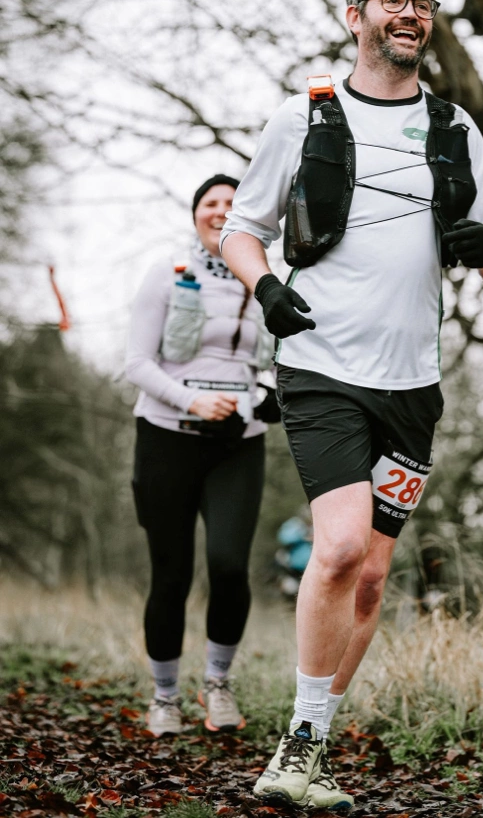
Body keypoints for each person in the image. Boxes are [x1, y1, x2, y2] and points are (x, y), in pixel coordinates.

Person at [221, 0, 483, 810]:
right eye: (392, 1)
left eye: (421, 6)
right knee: (341, 545)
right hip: (319, 364)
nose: (409, 15)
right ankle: (297, 752)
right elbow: (242, 228)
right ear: (356, 17)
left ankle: (306, 747)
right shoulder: (303, 118)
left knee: (372, 576)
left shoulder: (453, 130)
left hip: (411, 384)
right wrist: (266, 286)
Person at [126, 174, 275, 737]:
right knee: (171, 575)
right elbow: (136, 364)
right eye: (210, 203)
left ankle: (217, 683)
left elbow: (284, 360)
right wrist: (193, 399)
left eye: (233, 203)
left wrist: (270, 396)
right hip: (166, 438)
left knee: (231, 566)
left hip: (239, 443)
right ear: (195, 216)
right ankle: (165, 696)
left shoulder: (268, 279)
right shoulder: (167, 274)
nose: (221, 210)